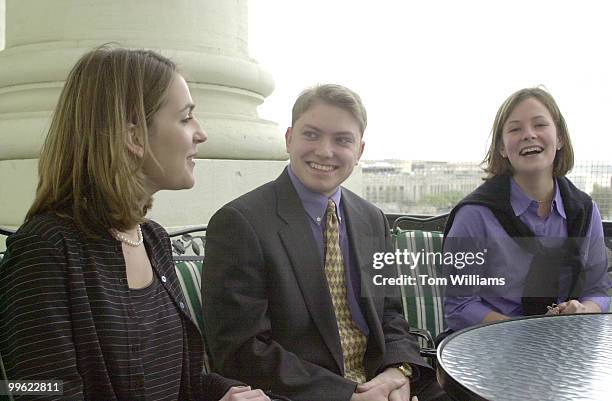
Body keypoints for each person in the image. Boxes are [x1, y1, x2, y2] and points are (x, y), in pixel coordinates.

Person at [0, 46, 271, 401]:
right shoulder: (44, 251)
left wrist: (224, 394)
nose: (201, 133)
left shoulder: (151, 239)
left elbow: (181, 383)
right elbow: (37, 391)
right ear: (134, 136)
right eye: (186, 118)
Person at [203, 84, 447, 401]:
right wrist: (348, 395)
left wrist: (397, 372)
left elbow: (391, 315)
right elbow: (242, 351)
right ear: (289, 138)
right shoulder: (240, 223)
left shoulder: (371, 218)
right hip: (303, 392)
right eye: (312, 135)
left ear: (359, 151)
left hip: (380, 383)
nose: (325, 151)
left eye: (342, 140)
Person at [443, 87, 611, 332]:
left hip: (563, 343)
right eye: (515, 129)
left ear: (560, 138)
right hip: (489, 344)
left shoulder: (585, 211)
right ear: (502, 148)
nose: (529, 135)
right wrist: (523, 332)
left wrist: (583, 310)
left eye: (540, 125)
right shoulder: (474, 216)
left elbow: (597, 291)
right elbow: (459, 306)